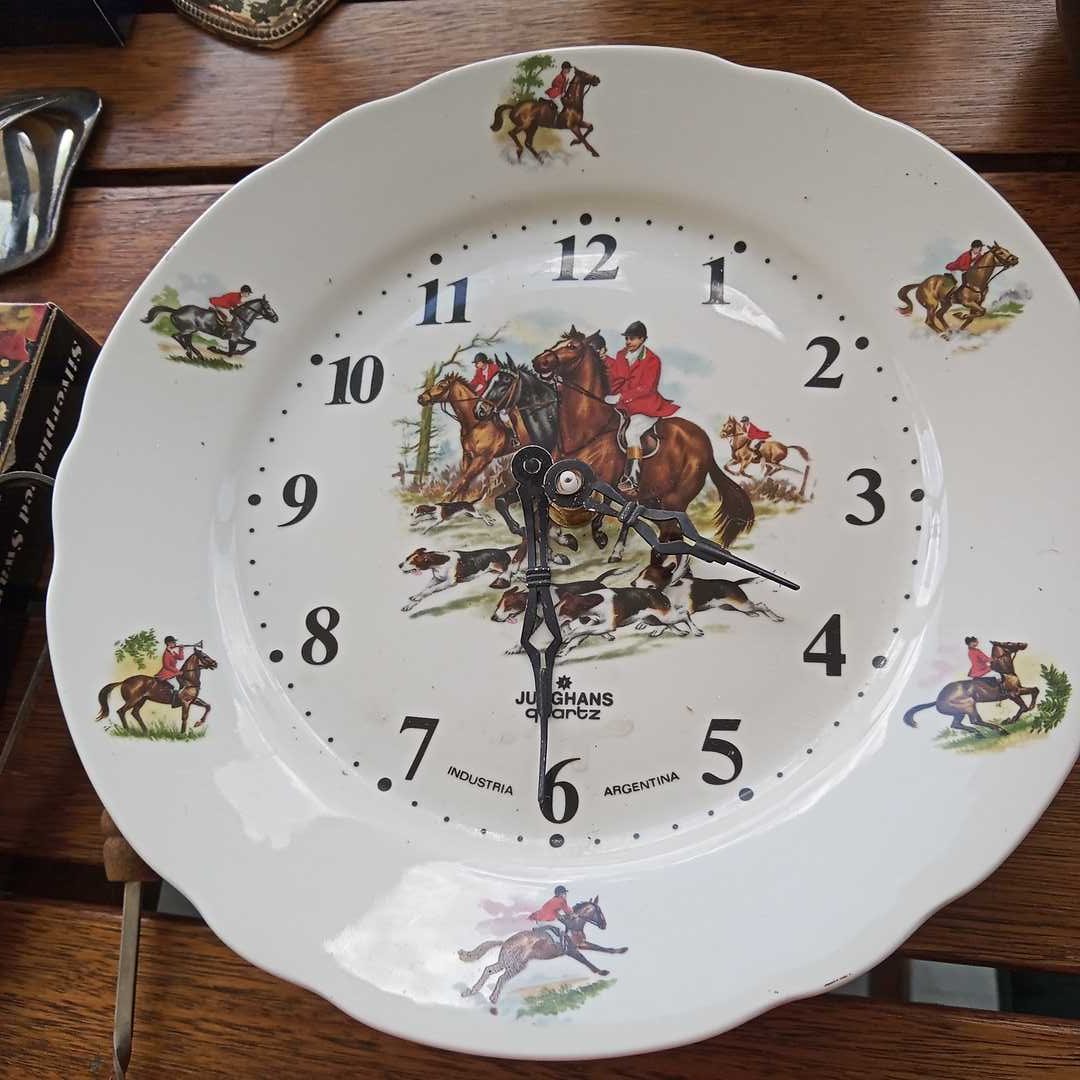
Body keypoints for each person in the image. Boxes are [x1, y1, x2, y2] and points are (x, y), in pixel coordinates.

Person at [602, 321, 679, 497]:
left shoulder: (653, 360)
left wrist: (622, 396)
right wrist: (603, 359)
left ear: (642, 339)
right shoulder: (621, 355)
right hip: (623, 406)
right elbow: (615, 376)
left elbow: (646, 388)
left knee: (632, 433)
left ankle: (632, 479)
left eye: (633, 339)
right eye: (627, 338)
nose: (628, 342)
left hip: (646, 406)